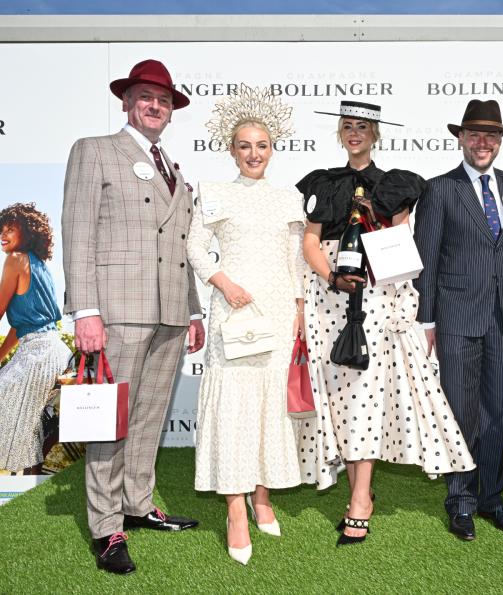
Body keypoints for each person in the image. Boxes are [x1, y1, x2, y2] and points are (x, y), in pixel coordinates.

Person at [296, 100, 475, 546]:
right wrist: (332, 276)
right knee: (340, 398)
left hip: (376, 298)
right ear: (340, 132)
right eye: (348, 126)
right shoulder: (324, 183)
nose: (355, 133)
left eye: (363, 126)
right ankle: (361, 489)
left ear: (375, 133)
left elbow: (402, 247)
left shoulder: (395, 185)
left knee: (364, 397)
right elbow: (311, 241)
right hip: (329, 298)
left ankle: (359, 499)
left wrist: (397, 302)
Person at [62, 59, 205, 575]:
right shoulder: (95, 151)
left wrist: (191, 309)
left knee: (147, 418)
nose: (154, 105)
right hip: (117, 311)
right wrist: (86, 310)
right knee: (110, 422)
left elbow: (183, 246)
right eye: (146, 96)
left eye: (164, 100)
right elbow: (77, 233)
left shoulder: (176, 169)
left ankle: (138, 504)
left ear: (171, 112)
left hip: (168, 312)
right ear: (127, 102)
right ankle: (106, 527)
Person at [187, 85, 305, 565]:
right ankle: (236, 509)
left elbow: (296, 257)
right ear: (231, 150)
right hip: (233, 309)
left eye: (262, 145)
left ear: (272, 149)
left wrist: (299, 307)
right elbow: (195, 247)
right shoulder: (213, 194)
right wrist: (223, 281)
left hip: (278, 311)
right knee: (234, 408)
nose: (253, 154)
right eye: (244, 145)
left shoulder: (289, 198)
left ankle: (262, 496)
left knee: (268, 406)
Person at [414, 99, 503, 540]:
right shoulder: (439, 189)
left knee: (499, 411)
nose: (484, 143)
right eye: (476, 135)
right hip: (457, 317)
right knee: (460, 411)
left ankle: (492, 496)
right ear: (460, 139)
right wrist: (427, 322)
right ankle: (460, 500)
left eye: (493, 136)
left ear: (500, 142)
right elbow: (426, 259)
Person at [0, 203, 71, 475]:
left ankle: (36, 457)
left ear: (27, 233)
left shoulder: (16, 259)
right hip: (51, 351)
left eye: (11, 229)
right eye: (1, 230)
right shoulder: (39, 264)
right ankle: (35, 466)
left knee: (16, 413)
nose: (3, 235)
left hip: (40, 353)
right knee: (26, 420)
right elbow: (21, 327)